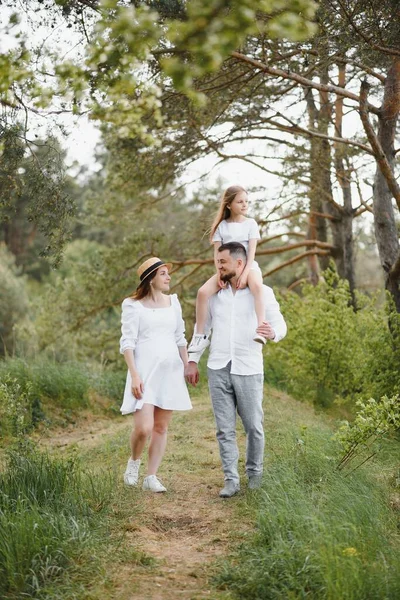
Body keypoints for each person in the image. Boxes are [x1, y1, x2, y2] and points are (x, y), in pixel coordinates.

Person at [186, 242, 287, 498]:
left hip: (249, 367)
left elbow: (280, 324)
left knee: (254, 426)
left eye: (223, 262)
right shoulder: (214, 296)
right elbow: (203, 329)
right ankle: (231, 480)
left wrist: (273, 332)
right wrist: (192, 359)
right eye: (217, 262)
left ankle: (255, 475)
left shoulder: (261, 292)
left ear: (240, 264)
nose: (218, 267)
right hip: (218, 366)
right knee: (224, 429)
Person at [120, 257, 192, 493]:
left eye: (167, 273)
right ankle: (133, 464)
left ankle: (151, 476)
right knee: (144, 427)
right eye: (163, 273)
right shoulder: (133, 305)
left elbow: (180, 337)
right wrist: (134, 375)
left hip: (169, 371)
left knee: (161, 427)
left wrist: (187, 364)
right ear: (150, 279)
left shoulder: (173, 302)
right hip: (144, 372)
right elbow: (127, 343)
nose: (168, 277)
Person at [189, 185, 266, 352]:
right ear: (229, 205)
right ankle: (199, 336)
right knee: (202, 292)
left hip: (247, 266)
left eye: (246, 201)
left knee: (258, 287)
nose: (244, 205)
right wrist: (219, 274)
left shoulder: (251, 224)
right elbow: (217, 254)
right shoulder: (221, 226)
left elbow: (252, 251)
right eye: (240, 202)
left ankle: (261, 328)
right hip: (226, 268)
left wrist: (245, 274)